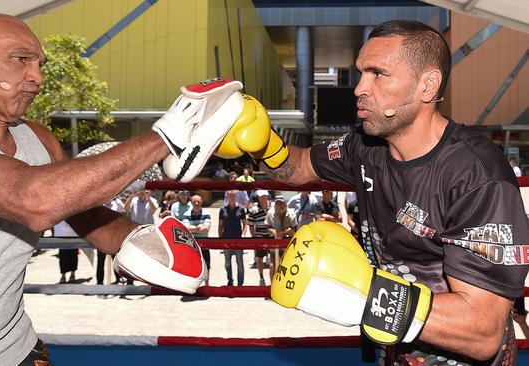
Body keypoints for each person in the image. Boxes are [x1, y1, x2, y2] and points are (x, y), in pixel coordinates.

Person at [0, 12, 241, 365]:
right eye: (21, 59)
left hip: (12, 347)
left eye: (40, 64)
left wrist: (141, 240)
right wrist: (173, 133)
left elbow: (85, 214)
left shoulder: (37, 138)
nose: (36, 77)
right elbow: (32, 200)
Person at [220, 19, 529, 365]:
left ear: (427, 85)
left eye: (378, 73)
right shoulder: (365, 145)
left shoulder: (477, 177)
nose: (359, 88)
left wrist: (364, 293)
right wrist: (263, 143)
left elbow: (482, 331)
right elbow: (301, 166)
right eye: (360, 72)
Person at [264, 195, 297, 281]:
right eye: (277, 204)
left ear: (285, 205)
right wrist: (274, 232)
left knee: (286, 265)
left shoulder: (291, 213)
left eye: (281, 204)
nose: (279, 206)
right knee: (272, 264)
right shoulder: (270, 213)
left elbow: (293, 229)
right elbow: (267, 228)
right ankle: (272, 286)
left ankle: (284, 285)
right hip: (274, 243)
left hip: (288, 243)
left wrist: (281, 233)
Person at [182, 194, 212, 285]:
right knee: (192, 265)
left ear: (201, 202)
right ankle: (193, 285)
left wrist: (193, 229)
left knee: (206, 265)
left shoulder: (207, 213)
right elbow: (186, 228)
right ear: (191, 202)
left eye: (198, 201)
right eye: (194, 201)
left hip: (204, 243)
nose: (196, 203)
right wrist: (198, 228)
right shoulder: (186, 214)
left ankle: (207, 285)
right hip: (192, 244)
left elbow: (206, 229)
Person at [219, 190, 247, 286]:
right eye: (230, 196)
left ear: (236, 196)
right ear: (227, 196)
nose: (232, 197)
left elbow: (245, 224)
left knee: (240, 263)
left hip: (238, 240)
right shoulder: (222, 209)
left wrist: (243, 234)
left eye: (234, 196)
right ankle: (230, 280)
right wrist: (220, 238)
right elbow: (220, 225)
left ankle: (240, 283)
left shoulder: (241, 209)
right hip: (226, 239)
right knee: (227, 263)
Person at [247, 189, 272, 285]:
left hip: (272, 237)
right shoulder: (254, 209)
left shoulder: (273, 206)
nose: (263, 199)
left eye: (265, 196)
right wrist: (254, 238)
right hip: (260, 236)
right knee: (260, 258)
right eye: (261, 197)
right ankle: (261, 277)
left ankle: (273, 278)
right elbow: (251, 224)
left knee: (274, 257)